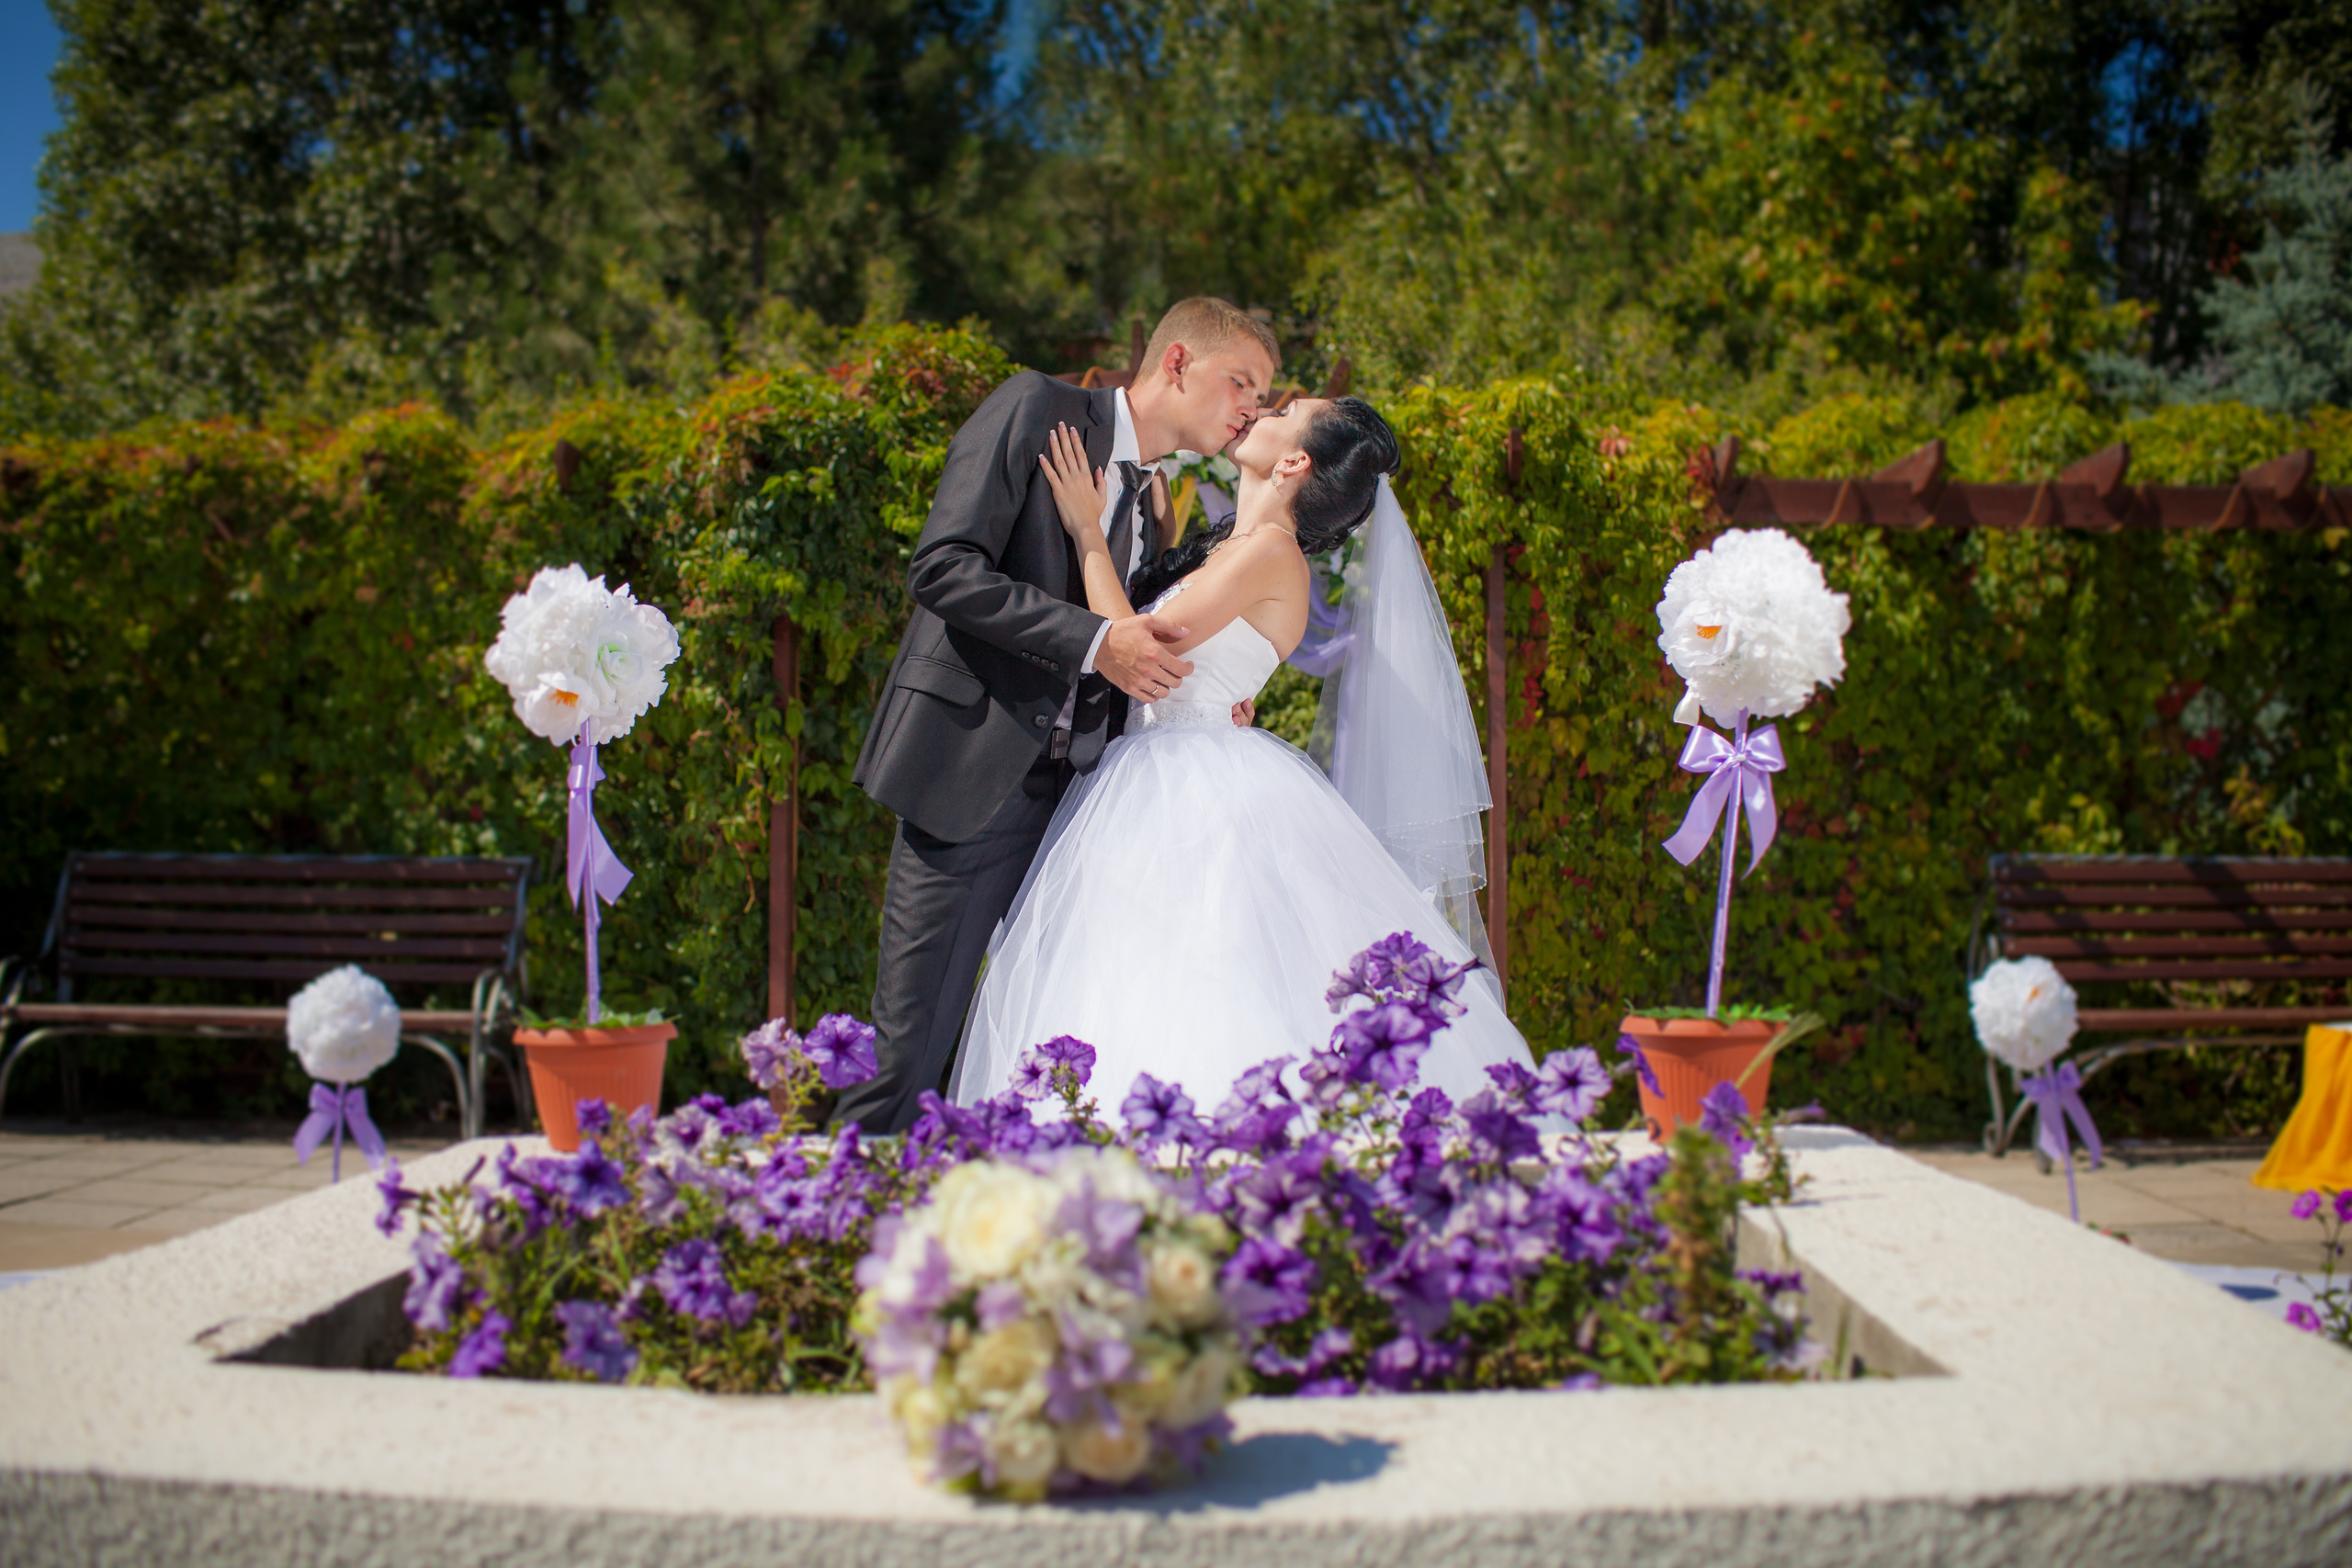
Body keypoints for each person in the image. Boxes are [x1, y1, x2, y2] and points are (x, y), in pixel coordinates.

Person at [949, 395, 1537, 1115]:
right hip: (1156, 764)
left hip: (1187, 783)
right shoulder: (1233, 545)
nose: (1264, 407)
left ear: (1294, 462)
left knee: (1196, 974)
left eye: (1286, 408)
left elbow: (1139, 643)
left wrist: (1085, 531)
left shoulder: (1270, 551)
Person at [838, 299, 1278, 1134]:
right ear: (1177, 361)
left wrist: (1208, 690)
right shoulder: (1038, 409)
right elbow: (942, 569)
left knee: (1035, 1047)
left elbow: (1141, 639)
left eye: (1262, 394)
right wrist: (1094, 639)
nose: (1251, 408)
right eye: (1242, 383)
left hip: (1085, 807)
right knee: (909, 1050)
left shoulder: (1156, 500)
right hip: (977, 776)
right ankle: (825, 1231)